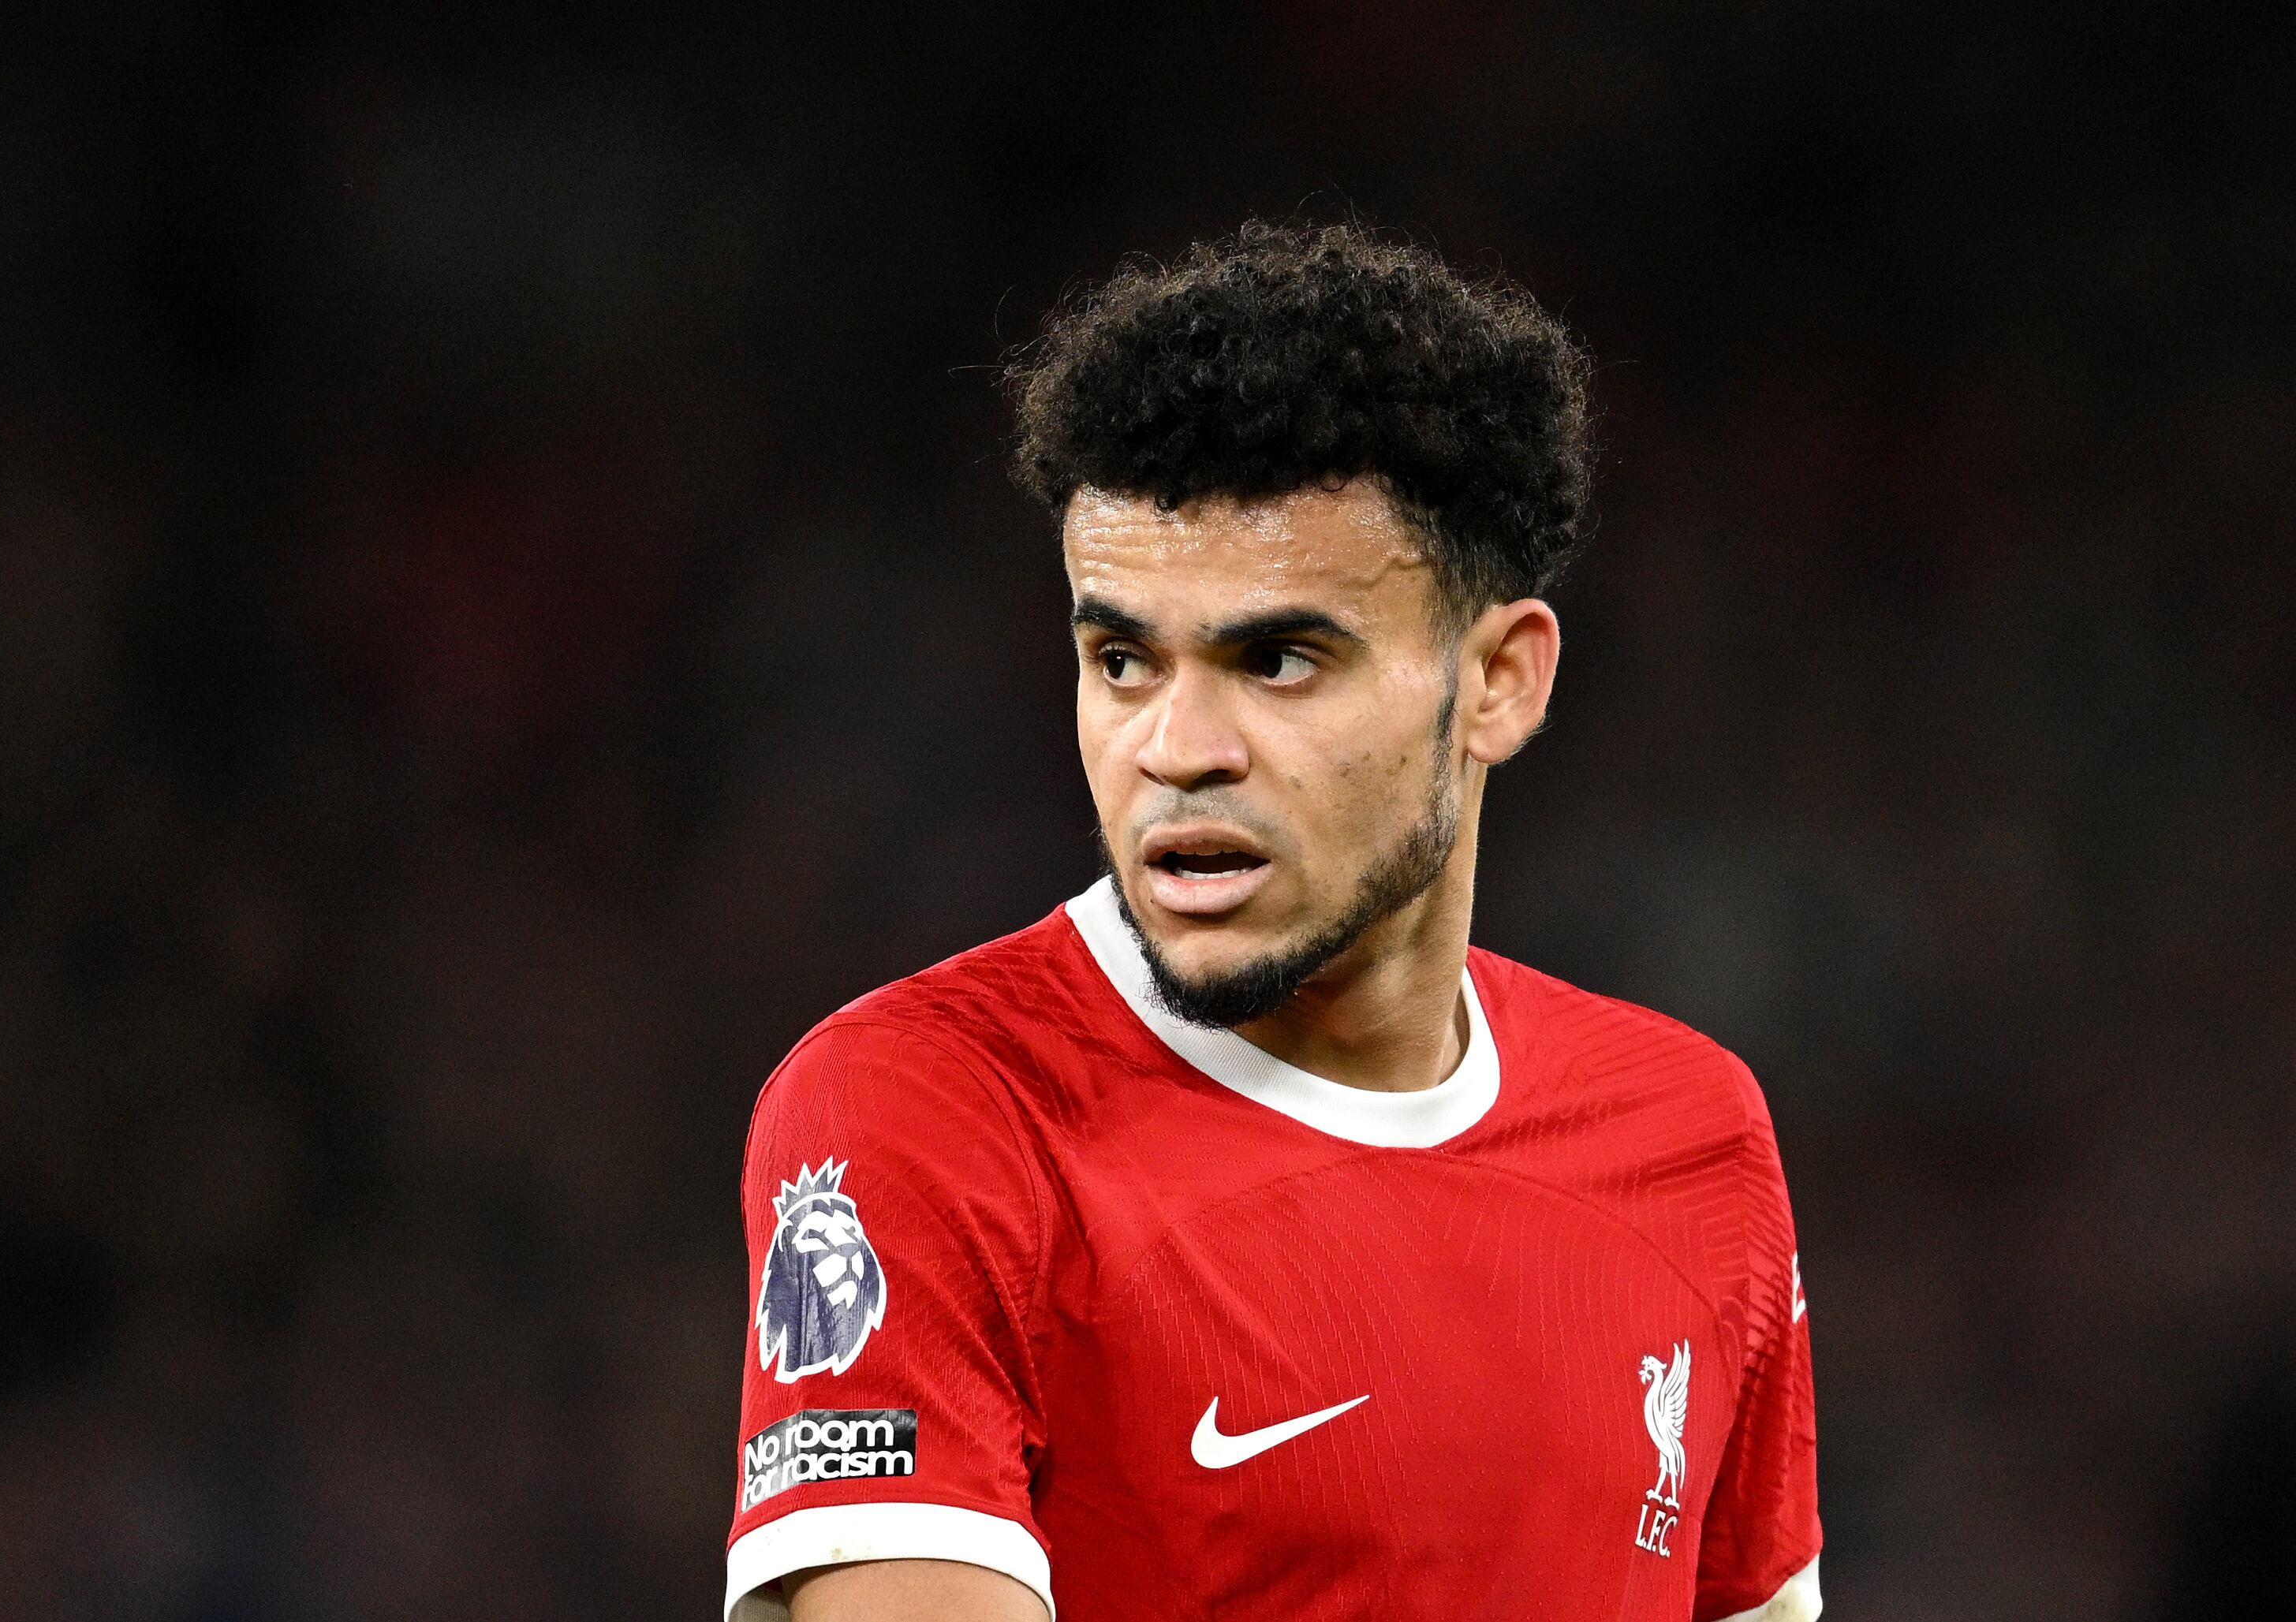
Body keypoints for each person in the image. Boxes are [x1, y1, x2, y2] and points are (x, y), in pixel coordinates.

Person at [726, 221, 1821, 1622]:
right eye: (1120, 657)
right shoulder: (928, 1110)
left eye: (1278, 658)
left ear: (1499, 680)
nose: (1175, 746)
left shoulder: (1694, 1134)